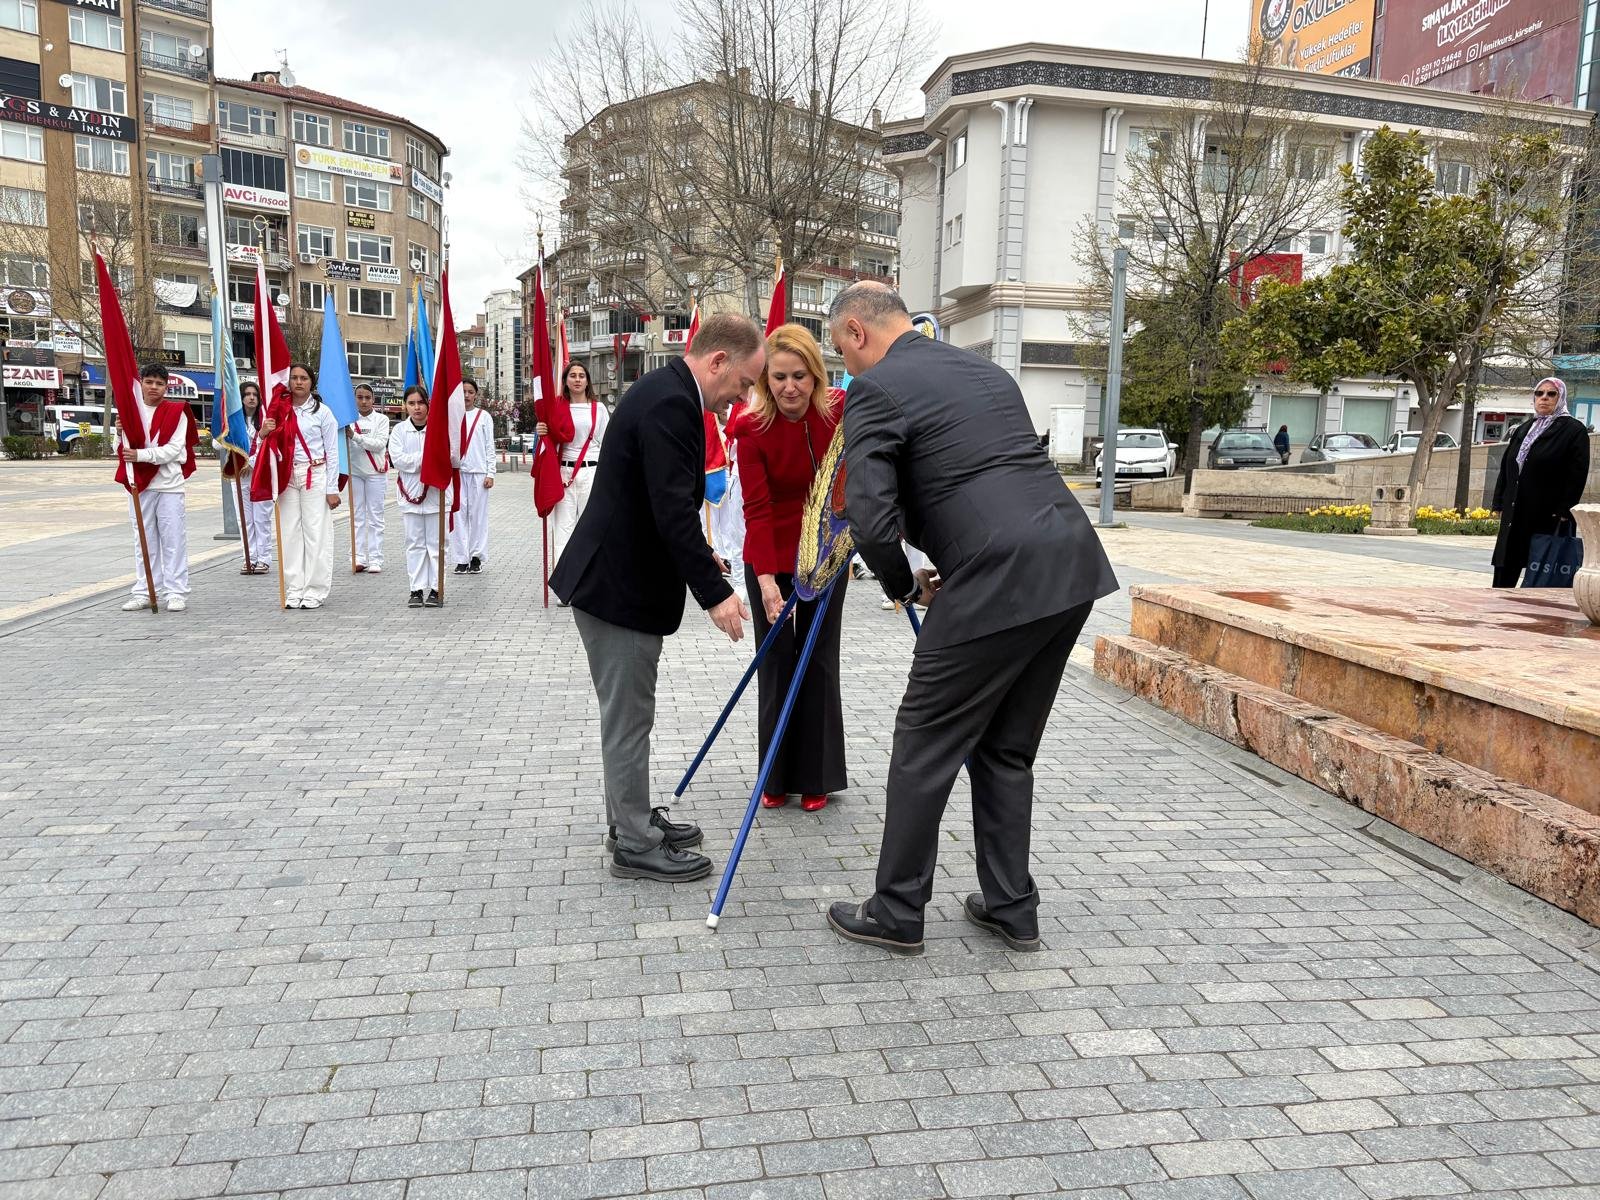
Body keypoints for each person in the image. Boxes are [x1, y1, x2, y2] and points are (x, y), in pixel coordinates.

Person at [825, 282, 1119, 956]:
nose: (849, 366)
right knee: (1006, 748)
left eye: (843, 349)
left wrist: (900, 587)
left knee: (925, 741)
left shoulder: (875, 390)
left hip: (996, 577)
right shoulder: (984, 370)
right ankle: (1012, 907)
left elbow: (872, 521)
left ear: (856, 330)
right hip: (1067, 564)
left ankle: (897, 910)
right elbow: (985, 480)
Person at [550, 313, 763, 883]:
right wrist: (715, 594)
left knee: (631, 714)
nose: (741, 396)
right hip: (617, 588)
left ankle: (634, 818)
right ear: (718, 361)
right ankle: (634, 843)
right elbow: (671, 509)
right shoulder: (671, 402)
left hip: (620, 579)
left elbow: (657, 504)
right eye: (744, 382)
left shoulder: (667, 392)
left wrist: (703, 560)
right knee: (628, 718)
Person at [738, 324, 848, 813]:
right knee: (777, 661)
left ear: (816, 376)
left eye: (799, 376)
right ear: (765, 380)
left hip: (826, 554)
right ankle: (775, 774)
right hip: (770, 556)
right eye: (778, 377)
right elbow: (756, 509)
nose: (789, 388)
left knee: (819, 658)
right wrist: (764, 581)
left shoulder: (839, 416)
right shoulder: (750, 429)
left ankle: (817, 774)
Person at [1492, 377, 1591, 588]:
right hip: (1516, 509)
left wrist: (1565, 510)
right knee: (1506, 565)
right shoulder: (1524, 429)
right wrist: (1499, 502)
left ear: (1561, 397)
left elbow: (1577, 474)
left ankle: (1539, 614)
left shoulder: (1573, 431)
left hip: (1548, 513)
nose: (1544, 398)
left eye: (1551, 394)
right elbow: (1507, 466)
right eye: (1539, 393)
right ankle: (1498, 609)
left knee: (1542, 567)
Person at [259, 362, 341, 610]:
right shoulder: (277, 411)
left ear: (311, 382)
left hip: (314, 474)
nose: (298, 382)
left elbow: (332, 451)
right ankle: (294, 588)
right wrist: (263, 432)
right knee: (290, 533)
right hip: (287, 474)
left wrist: (332, 487)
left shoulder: (323, 413)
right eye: (294, 378)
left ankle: (314, 589)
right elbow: (263, 446)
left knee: (316, 533)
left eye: (303, 378)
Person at [116, 363, 197, 612]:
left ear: (166, 387)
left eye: (159, 383)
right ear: (141, 383)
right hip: (140, 484)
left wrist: (140, 455)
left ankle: (176, 591)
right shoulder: (130, 413)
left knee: (173, 539)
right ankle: (145, 589)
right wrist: (119, 435)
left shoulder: (176, 412)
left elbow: (174, 450)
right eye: (149, 382)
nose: (154, 387)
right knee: (144, 540)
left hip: (169, 485)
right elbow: (119, 451)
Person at [545, 362, 607, 569]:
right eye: (573, 375)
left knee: (592, 527)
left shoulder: (598, 409)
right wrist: (542, 429)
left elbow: (607, 443)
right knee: (563, 528)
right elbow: (550, 440)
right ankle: (565, 584)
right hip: (564, 473)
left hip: (592, 472)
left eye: (582, 375)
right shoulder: (557, 407)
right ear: (565, 381)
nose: (578, 379)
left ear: (587, 380)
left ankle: (590, 581)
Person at [388, 385, 445, 608]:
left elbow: (449, 457)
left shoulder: (439, 429)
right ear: (405, 405)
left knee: (436, 544)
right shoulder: (399, 431)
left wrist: (422, 460)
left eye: (420, 403)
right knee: (414, 543)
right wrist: (427, 458)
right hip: (409, 494)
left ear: (428, 403)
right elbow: (399, 460)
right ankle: (416, 588)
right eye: (411, 403)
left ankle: (436, 587)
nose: (416, 408)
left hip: (435, 495)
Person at [448, 378, 495, 574]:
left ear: (476, 395)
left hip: (478, 473)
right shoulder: (452, 416)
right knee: (458, 517)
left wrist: (490, 472)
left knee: (477, 517)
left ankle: (476, 556)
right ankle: (461, 558)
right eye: (463, 392)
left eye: (470, 392)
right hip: (457, 473)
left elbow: (489, 446)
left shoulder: (483, 417)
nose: (466, 395)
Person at [348, 383, 390, 574]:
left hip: (375, 473)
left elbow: (379, 444)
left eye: (367, 397)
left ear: (373, 399)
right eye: (359, 397)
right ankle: (357, 557)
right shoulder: (347, 419)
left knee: (375, 517)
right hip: (355, 472)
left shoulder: (381, 419)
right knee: (357, 516)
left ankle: (375, 558)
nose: (363, 401)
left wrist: (355, 437)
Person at [238, 381, 273, 576]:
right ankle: (249, 557)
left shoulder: (265, 420)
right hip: (240, 476)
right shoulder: (234, 421)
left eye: (255, 394)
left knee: (261, 518)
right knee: (246, 519)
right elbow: (218, 445)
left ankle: (264, 558)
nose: (251, 397)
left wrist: (250, 462)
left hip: (261, 474)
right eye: (247, 394)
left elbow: (269, 445)